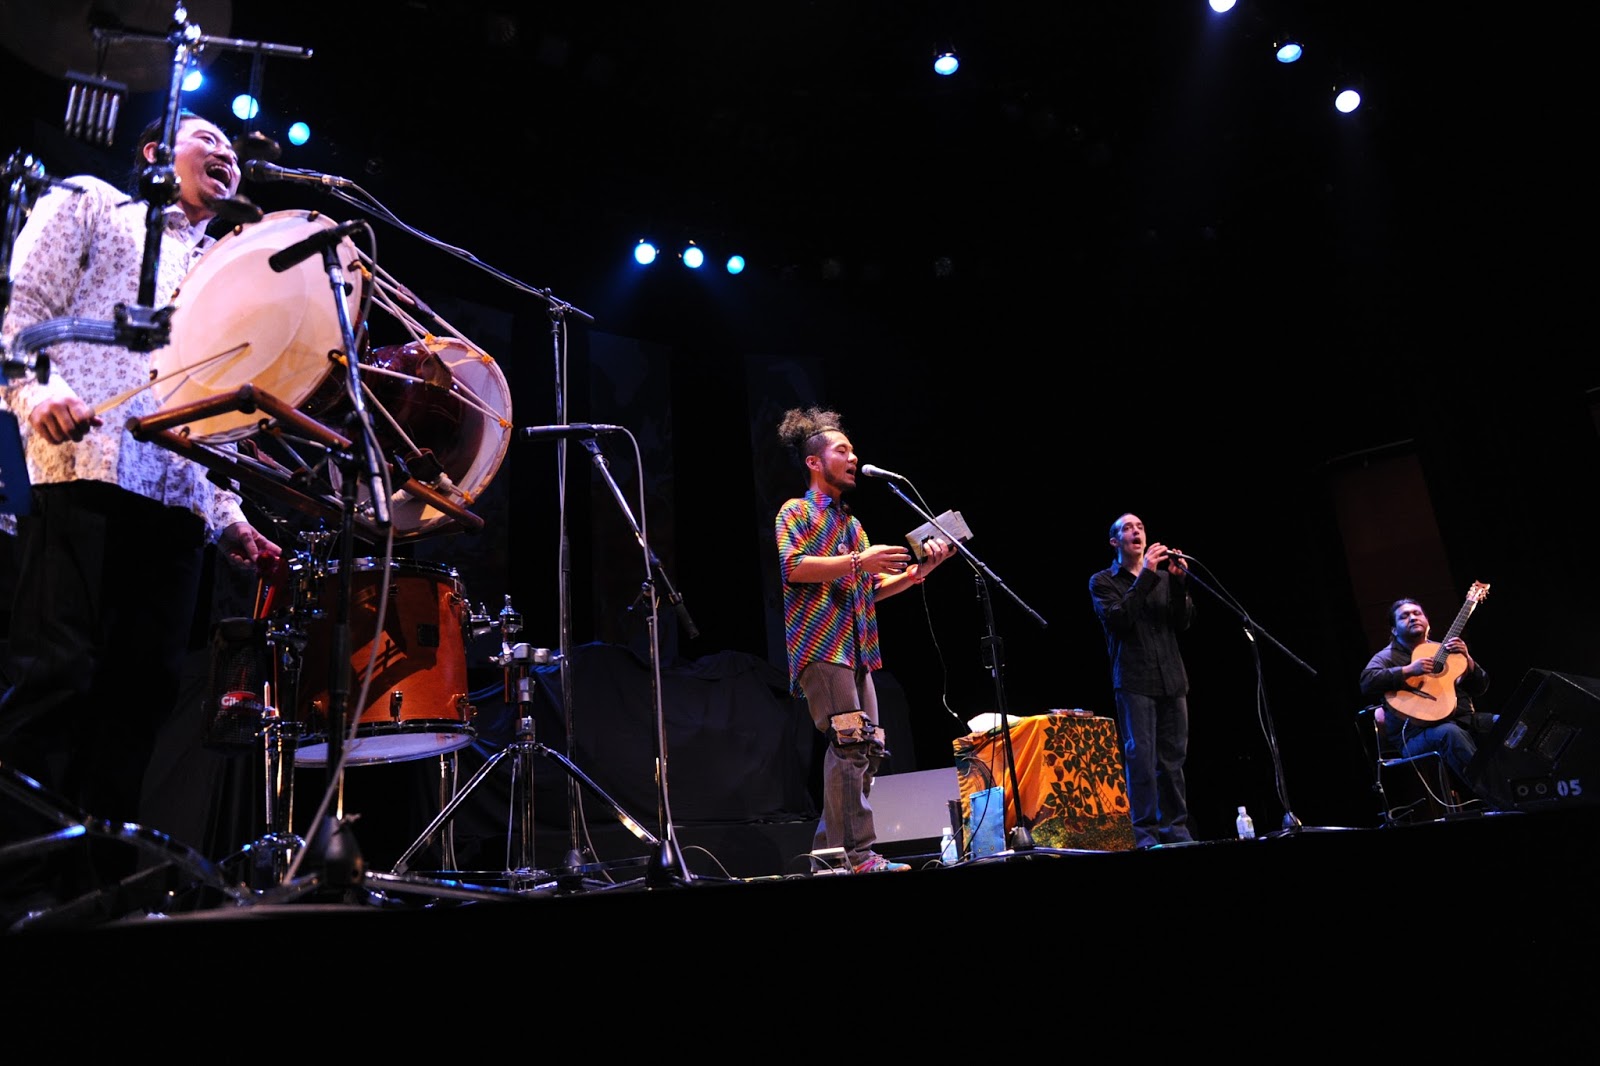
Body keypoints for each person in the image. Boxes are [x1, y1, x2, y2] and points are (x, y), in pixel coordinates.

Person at [0, 109, 281, 920]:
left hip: (176, 500)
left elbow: (212, 411)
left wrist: (228, 517)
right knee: (57, 680)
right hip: (83, 468)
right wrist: (38, 392)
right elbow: (22, 312)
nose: (228, 153)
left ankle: (97, 898)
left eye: (233, 149)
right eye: (208, 139)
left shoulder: (226, 273)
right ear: (157, 153)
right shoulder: (91, 201)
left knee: (140, 697)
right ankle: (16, 888)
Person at [774, 405, 953, 874]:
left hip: (857, 650)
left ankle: (828, 856)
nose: (853, 457)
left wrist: (917, 573)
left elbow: (869, 588)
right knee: (851, 744)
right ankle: (855, 857)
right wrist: (860, 561)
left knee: (867, 749)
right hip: (822, 647)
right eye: (842, 450)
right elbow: (794, 566)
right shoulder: (795, 511)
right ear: (815, 462)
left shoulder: (852, 526)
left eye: (853, 450)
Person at [1088, 513, 1195, 848]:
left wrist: (1179, 583)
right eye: (1127, 528)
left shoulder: (1163, 579)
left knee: (1173, 760)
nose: (1136, 531)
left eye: (1140, 527)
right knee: (1142, 761)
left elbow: (1182, 622)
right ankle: (1146, 835)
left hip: (1172, 679)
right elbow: (1119, 619)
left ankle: (1176, 830)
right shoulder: (1103, 581)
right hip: (1135, 681)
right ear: (1115, 542)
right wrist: (1146, 575)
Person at [1358, 596, 1497, 806]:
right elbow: (1367, 682)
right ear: (1394, 630)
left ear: (1428, 622)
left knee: (1508, 725)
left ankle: (1530, 787)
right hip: (1415, 735)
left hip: (1464, 720)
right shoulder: (1386, 657)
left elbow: (1480, 688)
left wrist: (1468, 662)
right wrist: (1408, 670)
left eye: (1417, 613)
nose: (1413, 618)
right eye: (1404, 616)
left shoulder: (1445, 650)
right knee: (1449, 734)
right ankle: (1500, 798)